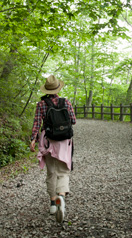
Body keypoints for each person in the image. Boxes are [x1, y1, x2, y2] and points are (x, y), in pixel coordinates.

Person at [30, 75, 76, 223]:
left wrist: (33, 139)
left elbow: (37, 124)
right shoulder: (66, 102)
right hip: (64, 142)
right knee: (63, 172)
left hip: (48, 140)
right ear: (58, 88)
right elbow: (73, 120)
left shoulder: (41, 104)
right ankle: (61, 197)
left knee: (51, 173)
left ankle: (52, 203)